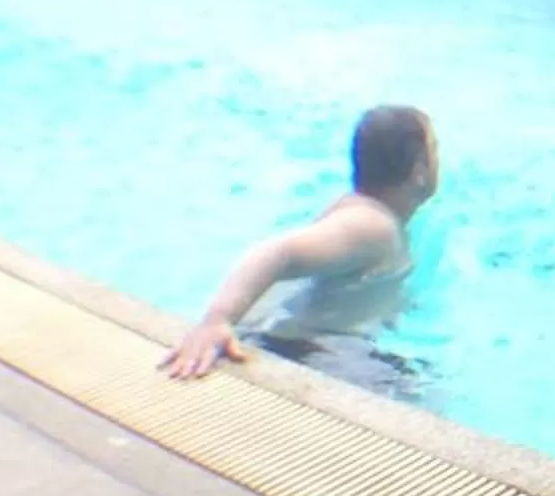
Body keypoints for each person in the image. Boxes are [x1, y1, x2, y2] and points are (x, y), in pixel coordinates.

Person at [159, 105, 440, 380]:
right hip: (301, 351)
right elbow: (277, 251)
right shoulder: (370, 224)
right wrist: (217, 320)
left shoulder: (363, 213)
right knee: (428, 391)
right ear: (419, 171)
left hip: (298, 341)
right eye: (434, 150)